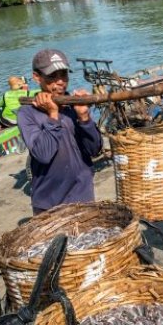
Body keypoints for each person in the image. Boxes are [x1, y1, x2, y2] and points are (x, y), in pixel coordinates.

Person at [18, 49, 102, 215]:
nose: (60, 82)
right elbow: (43, 153)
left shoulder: (74, 105)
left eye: (64, 75)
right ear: (37, 77)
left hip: (83, 196)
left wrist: (84, 117)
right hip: (49, 204)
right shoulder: (26, 113)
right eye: (52, 77)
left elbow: (95, 149)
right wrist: (53, 115)